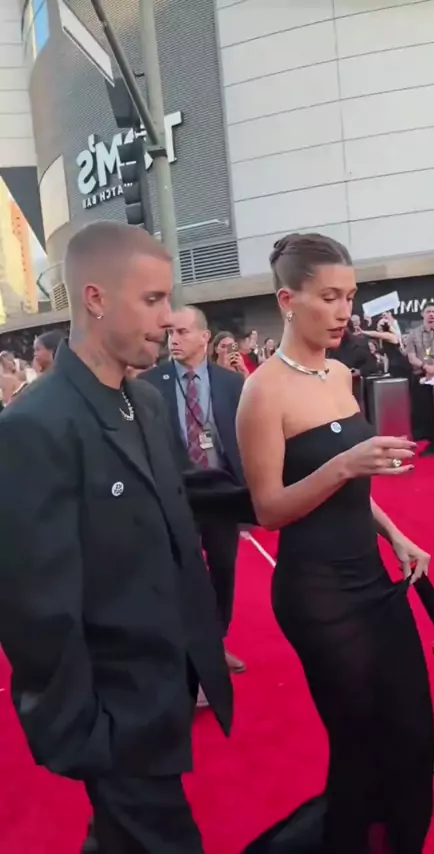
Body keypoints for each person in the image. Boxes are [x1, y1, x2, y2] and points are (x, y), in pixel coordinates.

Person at [0, 221, 234, 854]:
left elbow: (182, 496)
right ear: (96, 299)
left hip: (167, 687)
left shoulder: (144, 403)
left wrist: (301, 485)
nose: (168, 318)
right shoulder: (34, 426)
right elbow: (34, 606)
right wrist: (86, 732)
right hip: (115, 714)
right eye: (152, 299)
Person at [237, 232, 434, 853]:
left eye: (349, 296)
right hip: (317, 595)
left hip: (373, 579)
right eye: (329, 297)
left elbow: (350, 490)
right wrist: (345, 464)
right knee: (361, 746)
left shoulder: (343, 373)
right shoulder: (262, 392)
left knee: (412, 732)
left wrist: (396, 534)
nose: (344, 311)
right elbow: (269, 510)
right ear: (287, 300)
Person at [142, 307, 246, 685]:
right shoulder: (149, 384)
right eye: (171, 332)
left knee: (223, 568)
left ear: (205, 337)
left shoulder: (231, 383)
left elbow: (244, 435)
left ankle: (215, 640)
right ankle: (191, 649)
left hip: (221, 490)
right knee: (182, 571)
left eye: (183, 332)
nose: (174, 339)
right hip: (175, 492)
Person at [406, 303, 434, 455]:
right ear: (422, 314)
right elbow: (411, 357)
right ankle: (432, 442)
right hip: (421, 377)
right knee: (426, 413)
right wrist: (426, 367)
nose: (431, 314)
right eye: (428, 311)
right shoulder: (413, 334)